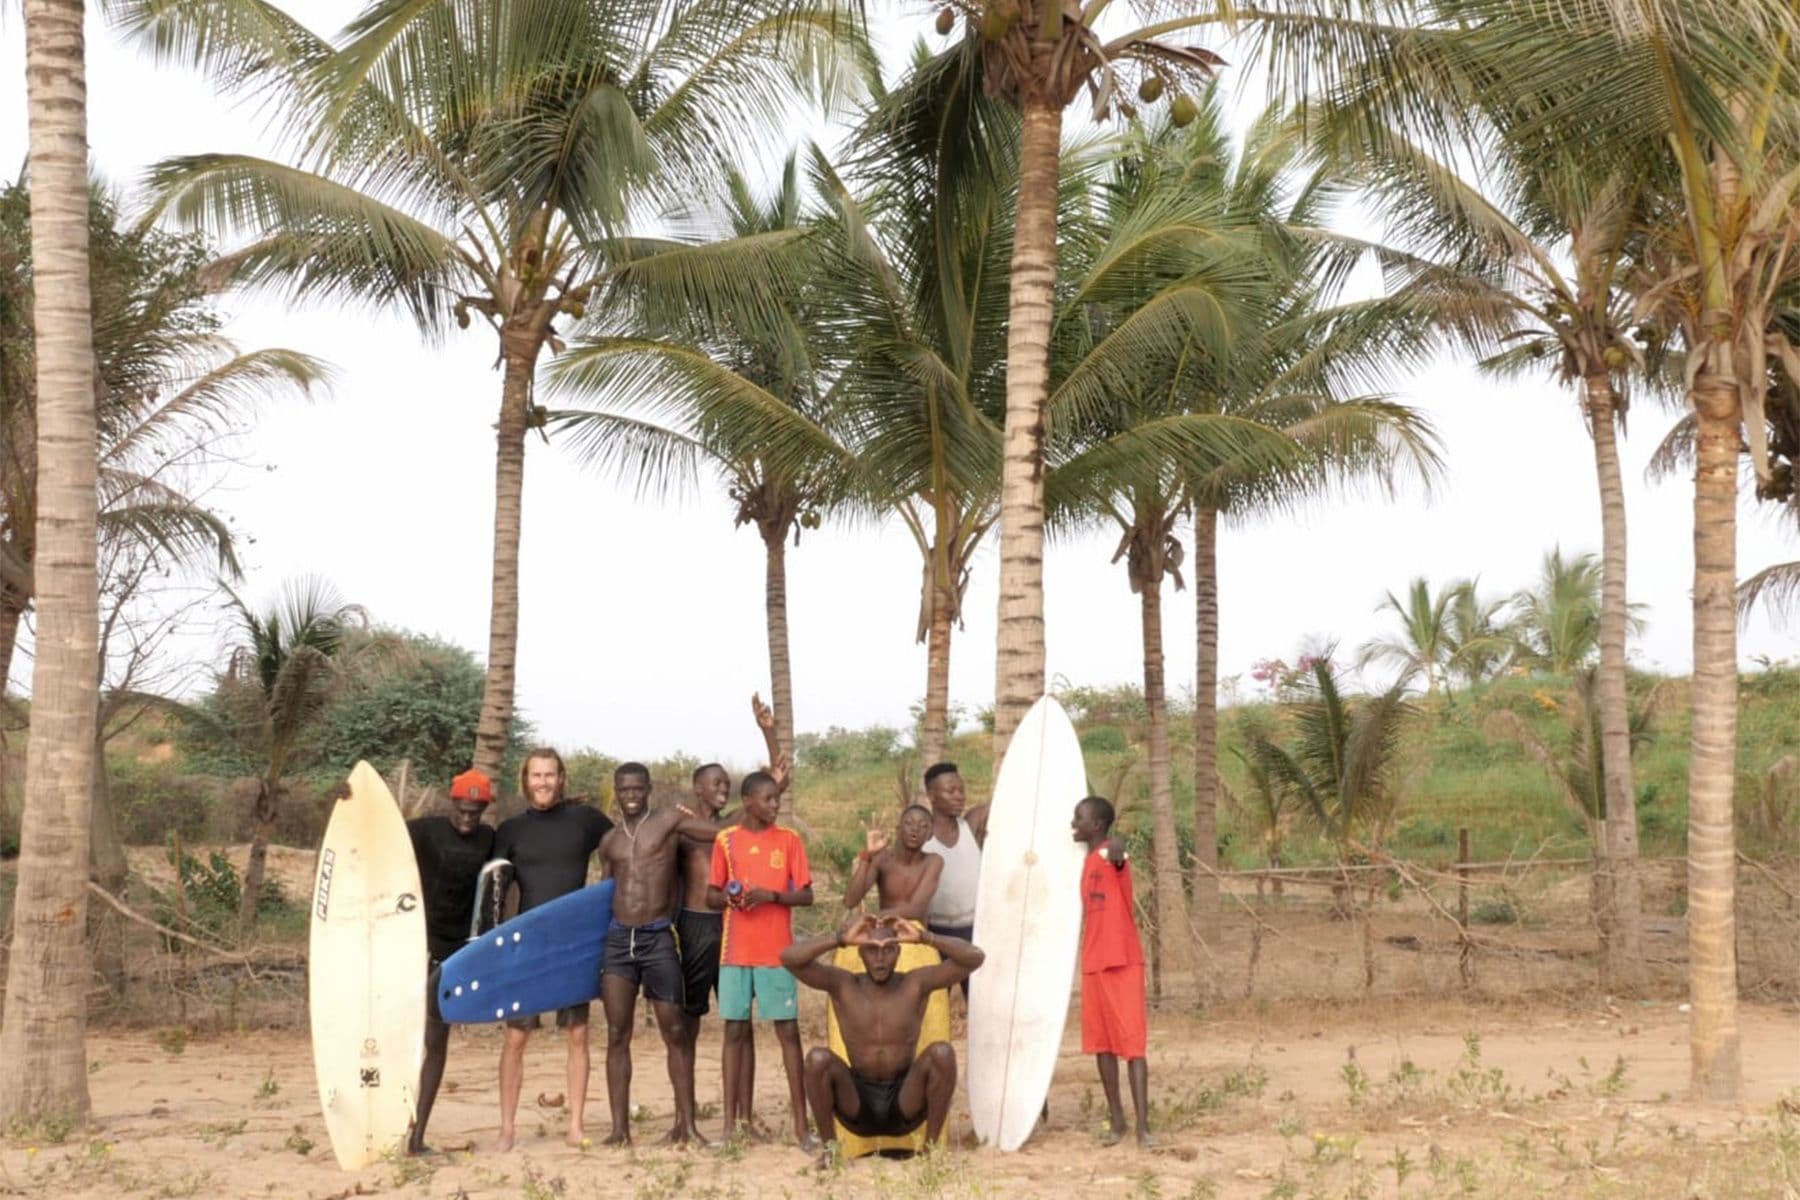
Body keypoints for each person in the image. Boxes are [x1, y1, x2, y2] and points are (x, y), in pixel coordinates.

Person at [782, 912, 983, 1162]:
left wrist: (924, 937)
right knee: (817, 1059)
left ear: (899, 953)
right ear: (859, 953)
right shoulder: (843, 984)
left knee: (942, 1053)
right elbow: (789, 958)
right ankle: (830, 1152)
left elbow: (974, 958)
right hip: (857, 1104)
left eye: (888, 950)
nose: (880, 958)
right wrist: (839, 938)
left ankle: (932, 1154)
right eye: (871, 950)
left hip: (905, 1101)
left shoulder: (915, 984)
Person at [491, 748, 614, 1150]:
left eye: (550, 775)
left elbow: (624, 843)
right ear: (524, 780)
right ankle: (507, 1129)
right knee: (515, 1039)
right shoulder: (509, 831)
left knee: (578, 1034)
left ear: (562, 779)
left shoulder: (586, 820)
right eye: (536, 775)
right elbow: (492, 887)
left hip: (573, 944)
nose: (543, 782)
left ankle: (575, 1126)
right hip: (526, 947)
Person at [595, 762, 723, 1146]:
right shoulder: (610, 842)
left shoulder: (669, 821)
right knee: (617, 1033)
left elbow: (718, 833)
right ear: (616, 791)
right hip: (619, 943)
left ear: (648, 788)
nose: (630, 795)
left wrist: (753, 819)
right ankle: (619, 1130)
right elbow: (603, 896)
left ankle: (686, 1125)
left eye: (637, 788)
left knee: (676, 1031)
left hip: (658, 939)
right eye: (624, 789)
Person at [706, 770, 815, 1147]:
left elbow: (806, 895)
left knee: (788, 1033)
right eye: (768, 799)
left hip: (776, 953)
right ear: (748, 801)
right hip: (734, 952)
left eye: (777, 799)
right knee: (734, 1033)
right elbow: (710, 894)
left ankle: (802, 1127)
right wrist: (730, 898)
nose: (775, 805)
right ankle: (729, 1128)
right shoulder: (726, 840)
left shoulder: (789, 840)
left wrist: (771, 896)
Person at [404, 768, 497, 1155]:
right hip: (410, 945)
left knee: (435, 1040)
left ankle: (417, 1135)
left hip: (453, 952)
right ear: (451, 802)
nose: (467, 818)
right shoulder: (423, 831)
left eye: (475, 812)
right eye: (462, 809)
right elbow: (376, 836)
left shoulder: (489, 838)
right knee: (399, 1037)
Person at [1071, 795, 1152, 1148]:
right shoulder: (1087, 860)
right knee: (1102, 1045)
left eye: (1079, 818)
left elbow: (1119, 856)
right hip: (1093, 965)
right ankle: (1117, 1119)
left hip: (1122, 963)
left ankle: (1144, 1128)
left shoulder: (1111, 856)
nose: (1073, 824)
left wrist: (1118, 846)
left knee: (1132, 1045)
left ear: (1097, 825)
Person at [675, 761, 731, 1102]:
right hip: (694, 924)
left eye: (726, 782)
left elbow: (774, 786)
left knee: (736, 1020)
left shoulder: (734, 825)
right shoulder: (681, 827)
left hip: (731, 926)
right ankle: (686, 1110)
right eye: (716, 783)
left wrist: (770, 735)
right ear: (698, 788)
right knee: (688, 1020)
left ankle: (737, 1113)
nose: (724, 788)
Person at [919, 762, 989, 994]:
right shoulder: (920, 839)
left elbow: (1008, 800)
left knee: (980, 1000)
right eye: (951, 791)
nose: (959, 796)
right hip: (936, 934)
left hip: (974, 932)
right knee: (936, 1005)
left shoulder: (971, 824)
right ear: (931, 795)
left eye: (961, 790)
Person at [842, 804, 943, 921]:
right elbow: (850, 902)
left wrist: (868, 917)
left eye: (923, 826)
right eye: (908, 823)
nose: (915, 828)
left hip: (915, 933)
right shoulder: (882, 860)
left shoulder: (933, 861)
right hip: (884, 929)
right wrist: (867, 855)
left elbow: (916, 910)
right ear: (898, 829)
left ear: (930, 835)